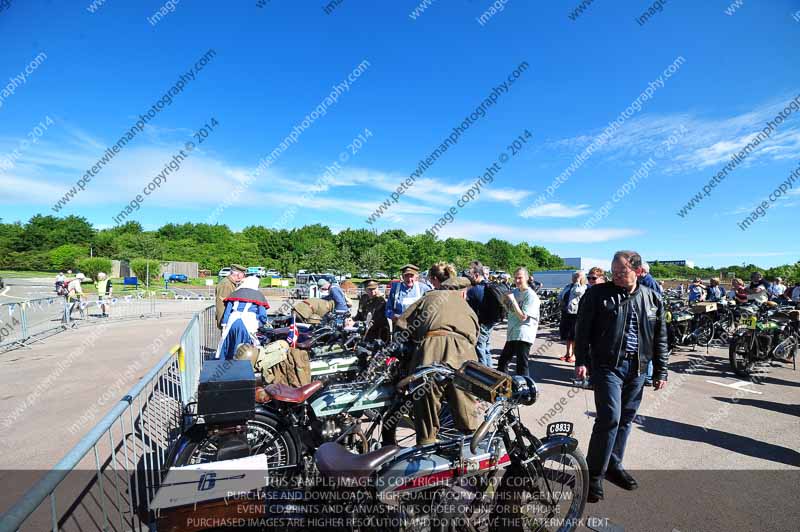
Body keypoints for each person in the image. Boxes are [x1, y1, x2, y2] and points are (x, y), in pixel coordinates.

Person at [574, 250, 669, 503]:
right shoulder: (597, 294)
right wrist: (581, 360)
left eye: (621, 272)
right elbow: (582, 329)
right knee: (609, 418)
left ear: (638, 271)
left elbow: (660, 337)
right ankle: (593, 476)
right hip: (607, 367)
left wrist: (661, 370)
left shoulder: (653, 298)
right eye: (613, 272)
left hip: (638, 368)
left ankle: (613, 466)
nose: (615, 276)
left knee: (626, 418)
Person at [394, 263, 480, 446]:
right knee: (466, 409)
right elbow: (476, 335)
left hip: (430, 353)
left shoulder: (430, 296)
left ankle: (425, 454)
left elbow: (402, 324)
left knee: (426, 410)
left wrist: (416, 340)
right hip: (464, 357)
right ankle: (472, 452)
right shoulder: (466, 306)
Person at [497, 267, 540, 377]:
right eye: (515, 278)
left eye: (520, 278)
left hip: (524, 333)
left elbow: (522, 317)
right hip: (513, 332)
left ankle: (526, 391)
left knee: (521, 365)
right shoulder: (515, 292)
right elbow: (510, 311)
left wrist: (512, 300)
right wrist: (504, 301)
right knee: (502, 362)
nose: (517, 281)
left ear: (526, 278)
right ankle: (504, 388)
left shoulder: (531, 295)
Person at [215, 276, 270, 360]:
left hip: (232, 320)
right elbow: (262, 315)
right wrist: (261, 323)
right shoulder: (258, 295)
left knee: (229, 343)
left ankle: (224, 363)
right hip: (248, 322)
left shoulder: (235, 293)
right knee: (245, 348)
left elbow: (227, 311)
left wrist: (224, 324)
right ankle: (241, 367)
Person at [465, 260, 500, 368]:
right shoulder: (488, 286)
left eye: (470, 275)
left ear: (476, 275)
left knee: (479, 350)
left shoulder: (473, 290)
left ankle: (484, 374)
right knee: (486, 349)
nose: (468, 278)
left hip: (482, 324)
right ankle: (491, 372)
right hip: (490, 323)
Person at [559, 271, 587, 363]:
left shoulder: (583, 287)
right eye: (574, 276)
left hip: (576, 314)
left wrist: (577, 282)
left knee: (574, 335)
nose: (574, 278)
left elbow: (577, 292)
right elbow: (561, 294)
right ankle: (567, 353)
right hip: (566, 312)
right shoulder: (568, 286)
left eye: (577, 276)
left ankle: (574, 355)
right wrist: (561, 300)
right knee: (567, 335)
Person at [215, 264, 246, 329]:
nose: (244, 276)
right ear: (239, 275)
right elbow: (221, 305)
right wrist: (223, 323)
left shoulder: (231, 283)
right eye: (243, 274)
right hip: (227, 322)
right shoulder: (226, 284)